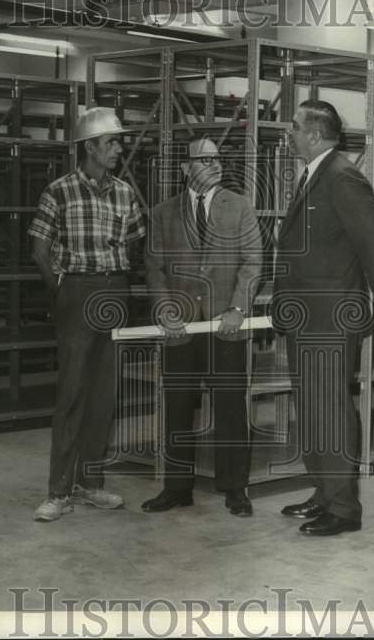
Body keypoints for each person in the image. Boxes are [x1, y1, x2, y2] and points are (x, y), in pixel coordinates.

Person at [272, 100, 374, 536]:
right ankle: (325, 491)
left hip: (330, 317)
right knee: (311, 408)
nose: (288, 132)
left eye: (294, 125)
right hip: (306, 316)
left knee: (329, 408)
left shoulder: (342, 177)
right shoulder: (315, 174)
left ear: (313, 134)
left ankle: (344, 509)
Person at [29, 107, 147, 523]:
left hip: (114, 290)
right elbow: (40, 250)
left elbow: (134, 245)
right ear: (89, 147)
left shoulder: (124, 193)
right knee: (73, 393)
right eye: (111, 142)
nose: (119, 148)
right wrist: (61, 287)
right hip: (76, 291)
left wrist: (117, 282)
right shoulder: (58, 191)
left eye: (119, 141)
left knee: (103, 393)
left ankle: (90, 483)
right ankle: (58, 490)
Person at [141, 138, 263, 517]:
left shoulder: (239, 206)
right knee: (177, 407)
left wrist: (237, 308)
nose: (214, 165)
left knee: (229, 408)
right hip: (180, 330)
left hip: (225, 327)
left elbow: (252, 261)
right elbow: (154, 268)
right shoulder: (163, 213)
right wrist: (164, 309)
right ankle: (176, 488)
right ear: (185, 168)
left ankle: (235, 489)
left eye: (217, 159)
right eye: (204, 159)